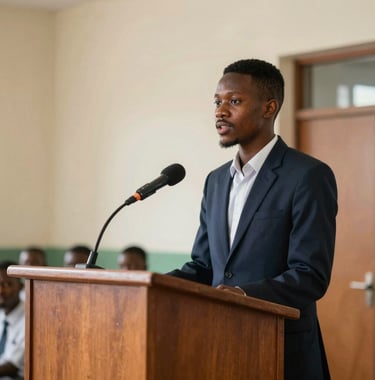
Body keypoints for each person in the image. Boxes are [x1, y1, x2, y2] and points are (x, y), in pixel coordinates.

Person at [168, 59, 337, 380]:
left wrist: (243, 295)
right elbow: (204, 267)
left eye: (234, 101)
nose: (220, 111)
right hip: (219, 343)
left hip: (282, 348)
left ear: (269, 108)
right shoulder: (215, 181)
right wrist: (150, 285)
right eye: (217, 102)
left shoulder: (308, 176)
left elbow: (310, 275)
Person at [0, 261, 24, 380]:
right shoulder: (2, 315)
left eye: (7, 284)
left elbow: (12, 366)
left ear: (20, 286)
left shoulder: (29, 319)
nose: (1, 291)